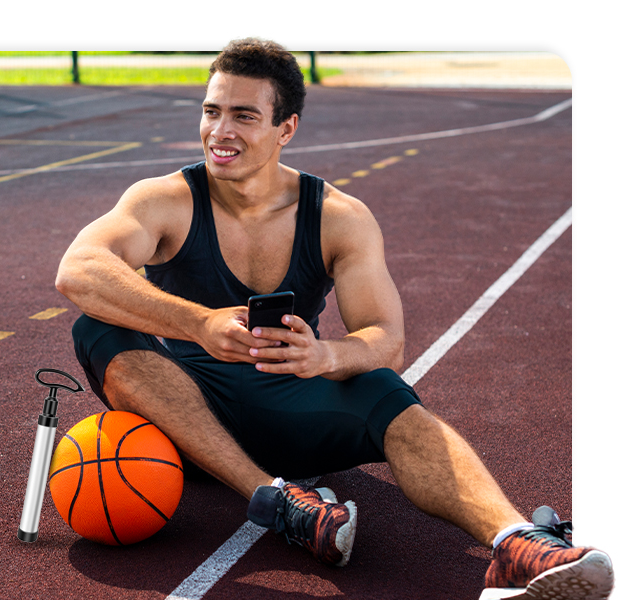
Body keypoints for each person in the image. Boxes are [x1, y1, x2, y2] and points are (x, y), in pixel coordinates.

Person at [55, 39, 613, 598]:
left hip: (295, 406)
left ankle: (516, 545)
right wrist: (199, 324)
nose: (220, 131)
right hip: (188, 417)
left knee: (383, 388)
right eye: (211, 110)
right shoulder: (164, 200)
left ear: (286, 128)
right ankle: (281, 504)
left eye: (244, 116)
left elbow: (385, 339)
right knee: (96, 326)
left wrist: (327, 355)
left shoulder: (339, 218)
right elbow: (79, 269)